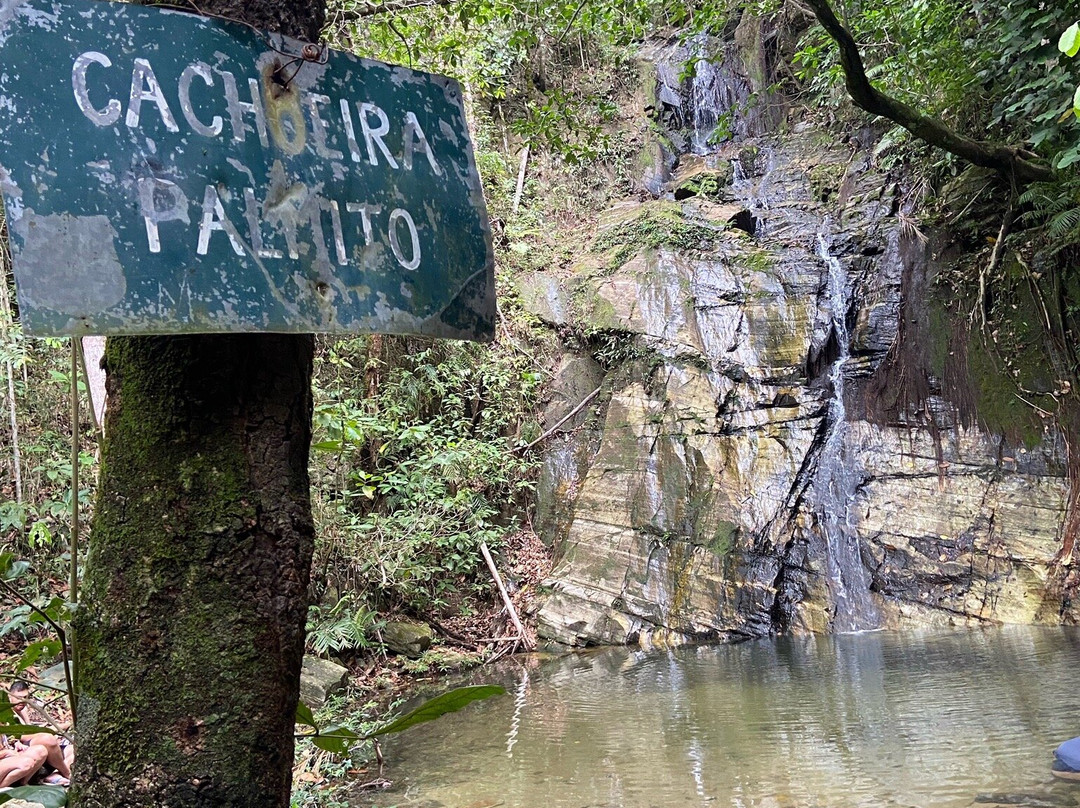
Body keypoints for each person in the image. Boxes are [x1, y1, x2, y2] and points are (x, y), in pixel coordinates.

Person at [6, 681, 71, 785]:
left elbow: (30, 729)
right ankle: (66, 773)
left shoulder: (23, 711)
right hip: (20, 749)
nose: (22, 701)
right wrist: (53, 730)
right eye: (18, 697)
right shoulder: (7, 712)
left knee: (72, 749)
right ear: (10, 696)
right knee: (47, 739)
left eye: (25, 697)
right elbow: (21, 735)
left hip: (29, 743)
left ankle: (54, 774)